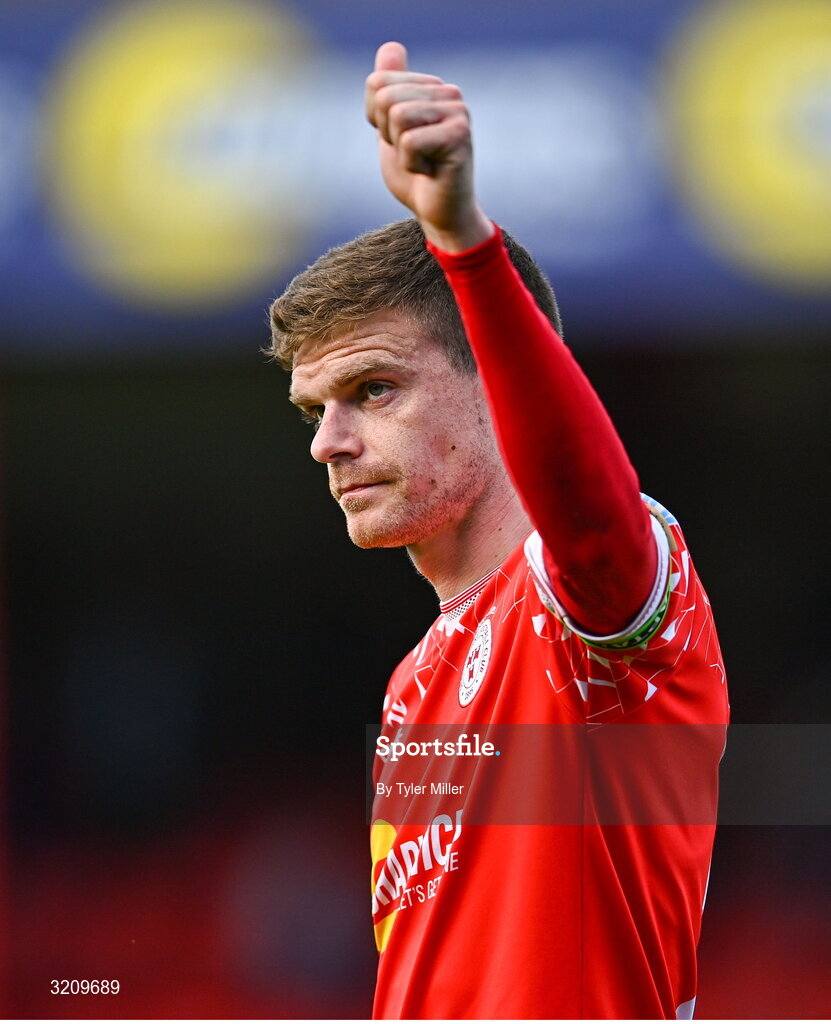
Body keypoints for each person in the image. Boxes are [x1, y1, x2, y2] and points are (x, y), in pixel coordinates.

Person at [268, 41, 729, 1020]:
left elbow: (591, 525)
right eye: (317, 410)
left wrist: (467, 248)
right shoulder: (411, 685)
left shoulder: (585, 609)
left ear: (497, 378)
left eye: (373, 389)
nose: (330, 443)